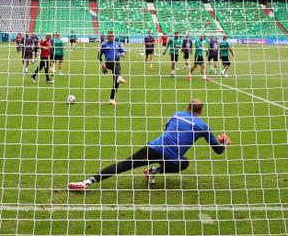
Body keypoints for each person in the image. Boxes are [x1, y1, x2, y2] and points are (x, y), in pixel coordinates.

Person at [67, 99, 231, 191]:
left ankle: (87, 182)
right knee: (184, 163)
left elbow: (167, 129)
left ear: (187, 107)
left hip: (154, 147)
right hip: (171, 158)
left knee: (124, 164)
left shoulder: (177, 115)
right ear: (201, 112)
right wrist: (224, 142)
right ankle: (154, 171)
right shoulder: (203, 126)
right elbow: (218, 151)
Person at [98, 30, 127, 106]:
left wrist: (123, 54)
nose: (111, 38)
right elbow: (99, 56)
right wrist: (102, 64)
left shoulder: (118, 44)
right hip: (108, 63)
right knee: (115, 63)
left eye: (112, 36)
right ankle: (119, 77)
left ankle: (112, 99)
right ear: (107, 37)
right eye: (110, 36)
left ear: (114, 36)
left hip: (117, 64)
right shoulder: (104, 45)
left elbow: (123, 51)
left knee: (116, 83)